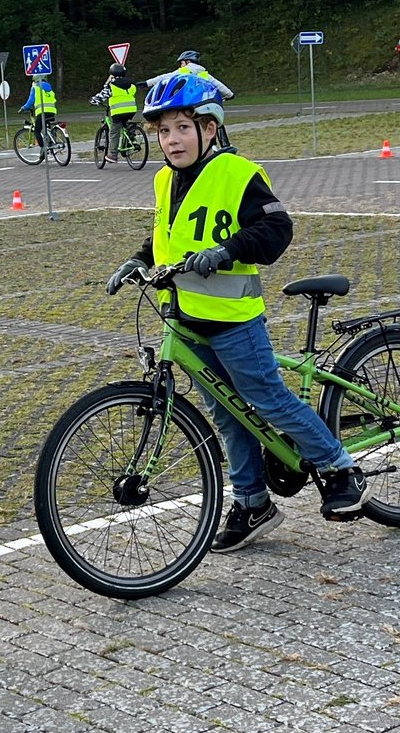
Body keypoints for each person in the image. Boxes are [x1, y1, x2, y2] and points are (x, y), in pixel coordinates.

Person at [104, 73, 366, 552]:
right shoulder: (165, 180)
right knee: (227, 415)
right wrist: (140, 260)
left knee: (267, 400)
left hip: (232, 320)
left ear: (209, 128)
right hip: (185, 318)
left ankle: (339, 467)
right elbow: (170, 235)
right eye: (163, 132)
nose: (172, 140)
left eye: (182, 127)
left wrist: (225, 252)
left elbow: (276, 229)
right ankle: (252, 504)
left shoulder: (238, 173)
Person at [89, 64, 138, 160]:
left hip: (118, 111)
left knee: (114, 132)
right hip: (132, 109)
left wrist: (93, 100)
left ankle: (113, 155)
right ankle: (132, 139)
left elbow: (102, 95)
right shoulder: (131, 85)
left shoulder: (112, 85)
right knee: (125, 125)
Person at [17, 70, 57, 140]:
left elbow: (30, 101)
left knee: (37, 131)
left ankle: (42, 148)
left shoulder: (35, 88)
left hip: (42, 112)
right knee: (46, 127)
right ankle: (50, 142)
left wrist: (24, 108)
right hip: (52, 112)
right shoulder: (50, 89)